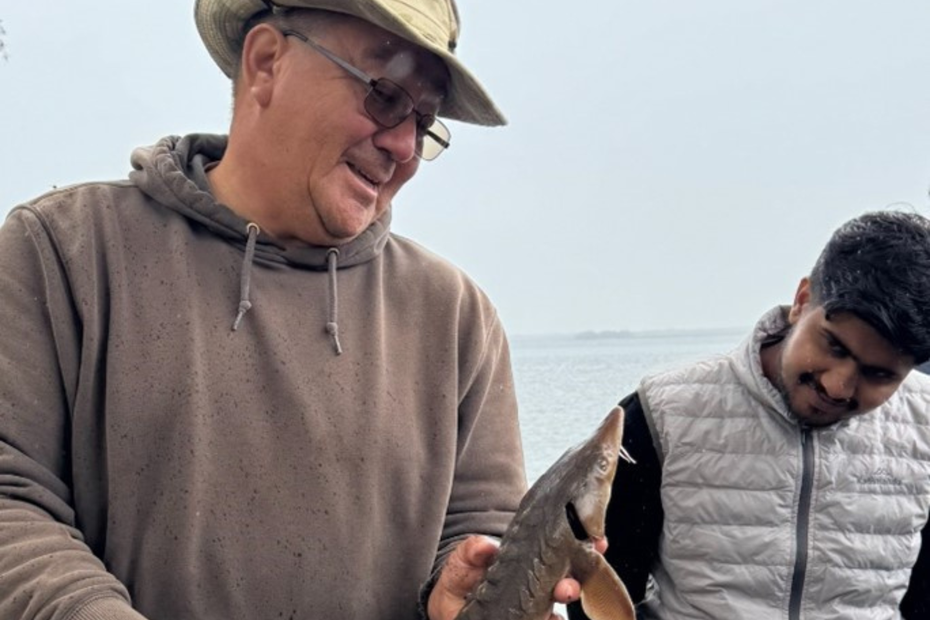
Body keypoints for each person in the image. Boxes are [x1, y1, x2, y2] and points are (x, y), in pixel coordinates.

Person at [0, 1, 586, 618]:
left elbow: (482, 534)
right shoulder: (64, 250)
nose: (403, 145)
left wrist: (461, 588)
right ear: (265, 63)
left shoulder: (458, 318)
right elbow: (11, 496)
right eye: (385, 96)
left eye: (425, 120)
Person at [570, 210, 930, 619]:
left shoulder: (925, 428)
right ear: (801, 301)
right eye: (834, 347)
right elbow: (598, 592)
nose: (838, 386)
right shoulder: (665, 413)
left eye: (878, 374)